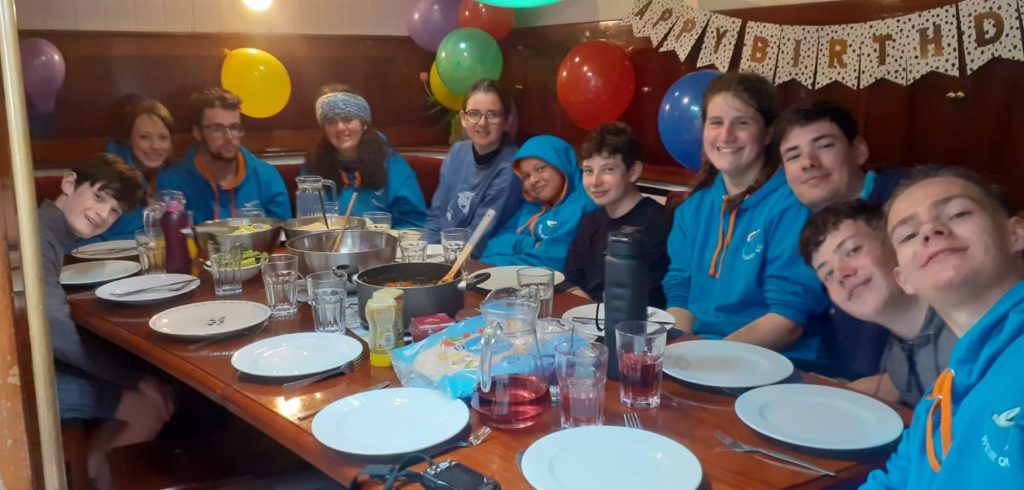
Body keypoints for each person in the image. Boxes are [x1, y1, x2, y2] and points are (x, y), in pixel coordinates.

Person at [862, 166, 1024, 489]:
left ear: (1016, 233)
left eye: (958, 214)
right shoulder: (939, 398)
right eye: (908, 235)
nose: (929, 231)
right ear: (903, 280)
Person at [661, 72, 828, 366]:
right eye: (716, 123)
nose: (726, 136)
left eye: (742, 123)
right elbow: (680, 294)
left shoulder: (792, 205)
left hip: (775, 363)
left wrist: (711, 360)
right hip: (703, 355)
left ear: (768, 133)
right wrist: (678, 355)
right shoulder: (692, 209)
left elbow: (788, 319)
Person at [41, 154, 175, 489]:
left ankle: (92, 470)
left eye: (114, 210)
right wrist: (135, 377)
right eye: (99, 197)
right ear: (69, 183)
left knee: (155, 389)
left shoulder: (48, 231)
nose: (103, 214)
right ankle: (95, 474)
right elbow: (56, 334)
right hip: (21, 383)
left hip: (38, 363)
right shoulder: (38, 235)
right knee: (152, 407)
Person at [776, 99, 910, 378]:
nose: (809, 163)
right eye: (793, 156)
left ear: (858, 151)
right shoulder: (801, 223)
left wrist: (894, 385)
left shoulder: (906, 204)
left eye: (824, 146)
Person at [799, 200, 955, 406]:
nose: (841, 274)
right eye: (827, 273)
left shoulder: (965, 327)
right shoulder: (897, 359)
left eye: (853, 250)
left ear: (897, 243)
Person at [564, 122, 671, 307]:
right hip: (588, 316)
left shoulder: (659, 223)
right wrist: (580, 299)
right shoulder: (590, 221)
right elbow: (572, 276)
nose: (595, 182)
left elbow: (648, 297)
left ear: (633, 172)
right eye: (588, 171)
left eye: (608, 169)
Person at [156, 87, 291, 223]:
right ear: (198, 133)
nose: (229, 137)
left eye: (234, 127)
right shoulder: (171, 182)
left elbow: (281, 231)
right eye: (217, 129)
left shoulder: (267, 177)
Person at [303, 84, 427, 229]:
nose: (340, 127)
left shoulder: (392, 165)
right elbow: (307, 224)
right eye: (331, 122)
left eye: (348, 119)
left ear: (364, 124)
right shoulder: (313, 168)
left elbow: (414, 224)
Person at [424, 79, 521, 251]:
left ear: (507, 121)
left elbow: (479, 237)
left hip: (474, 258)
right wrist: (426, 251)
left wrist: (440, 258)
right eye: (474, 114)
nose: (482, 123)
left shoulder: (511, 166)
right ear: (463, 118)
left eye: (492, 115)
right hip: (440, 254)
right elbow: (436, 216)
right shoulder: (457, 152)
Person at [480, 135, 597, 271]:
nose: (533, 180)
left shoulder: (585, 204)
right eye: (526, 176)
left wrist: (489, 268)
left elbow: (549, 264)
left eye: (540, 169)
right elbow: (491, 247)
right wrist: (529, 243)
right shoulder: (532, 206)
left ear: (561, 164)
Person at [89, 99, 176, 242]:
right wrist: (155, 213)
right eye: (144, 137)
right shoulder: (109, 174)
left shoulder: (168, 174)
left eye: (163, 138)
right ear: (128, 139)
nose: (155, 146)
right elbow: (109, 232)